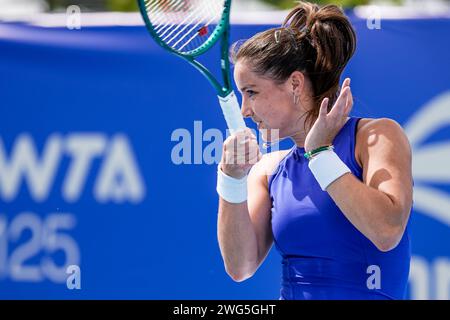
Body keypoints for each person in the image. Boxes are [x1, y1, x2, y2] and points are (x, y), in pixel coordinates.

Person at [216, 1, 413, 300]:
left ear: (295, 83)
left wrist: (320, 154)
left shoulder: (376, 136)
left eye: (252, 92)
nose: (244, 111)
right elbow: (240, 267)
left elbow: (386, 232)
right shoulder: (269, 171)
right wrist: (230, 178)